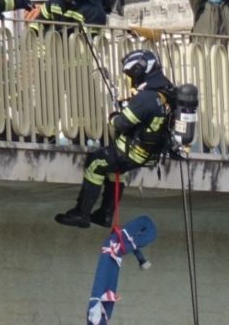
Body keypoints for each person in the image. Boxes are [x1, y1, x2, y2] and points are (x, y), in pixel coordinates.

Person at [54, 48, 180, 227]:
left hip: (131, 151)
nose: (131, 80)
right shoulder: (165, 91)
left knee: (95, 163)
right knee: (113, 171)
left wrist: (113, 115)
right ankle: (105, 216)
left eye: (132, 75)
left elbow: (121, 123)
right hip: (147, 153)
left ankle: (81, 214)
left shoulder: (147, 98)